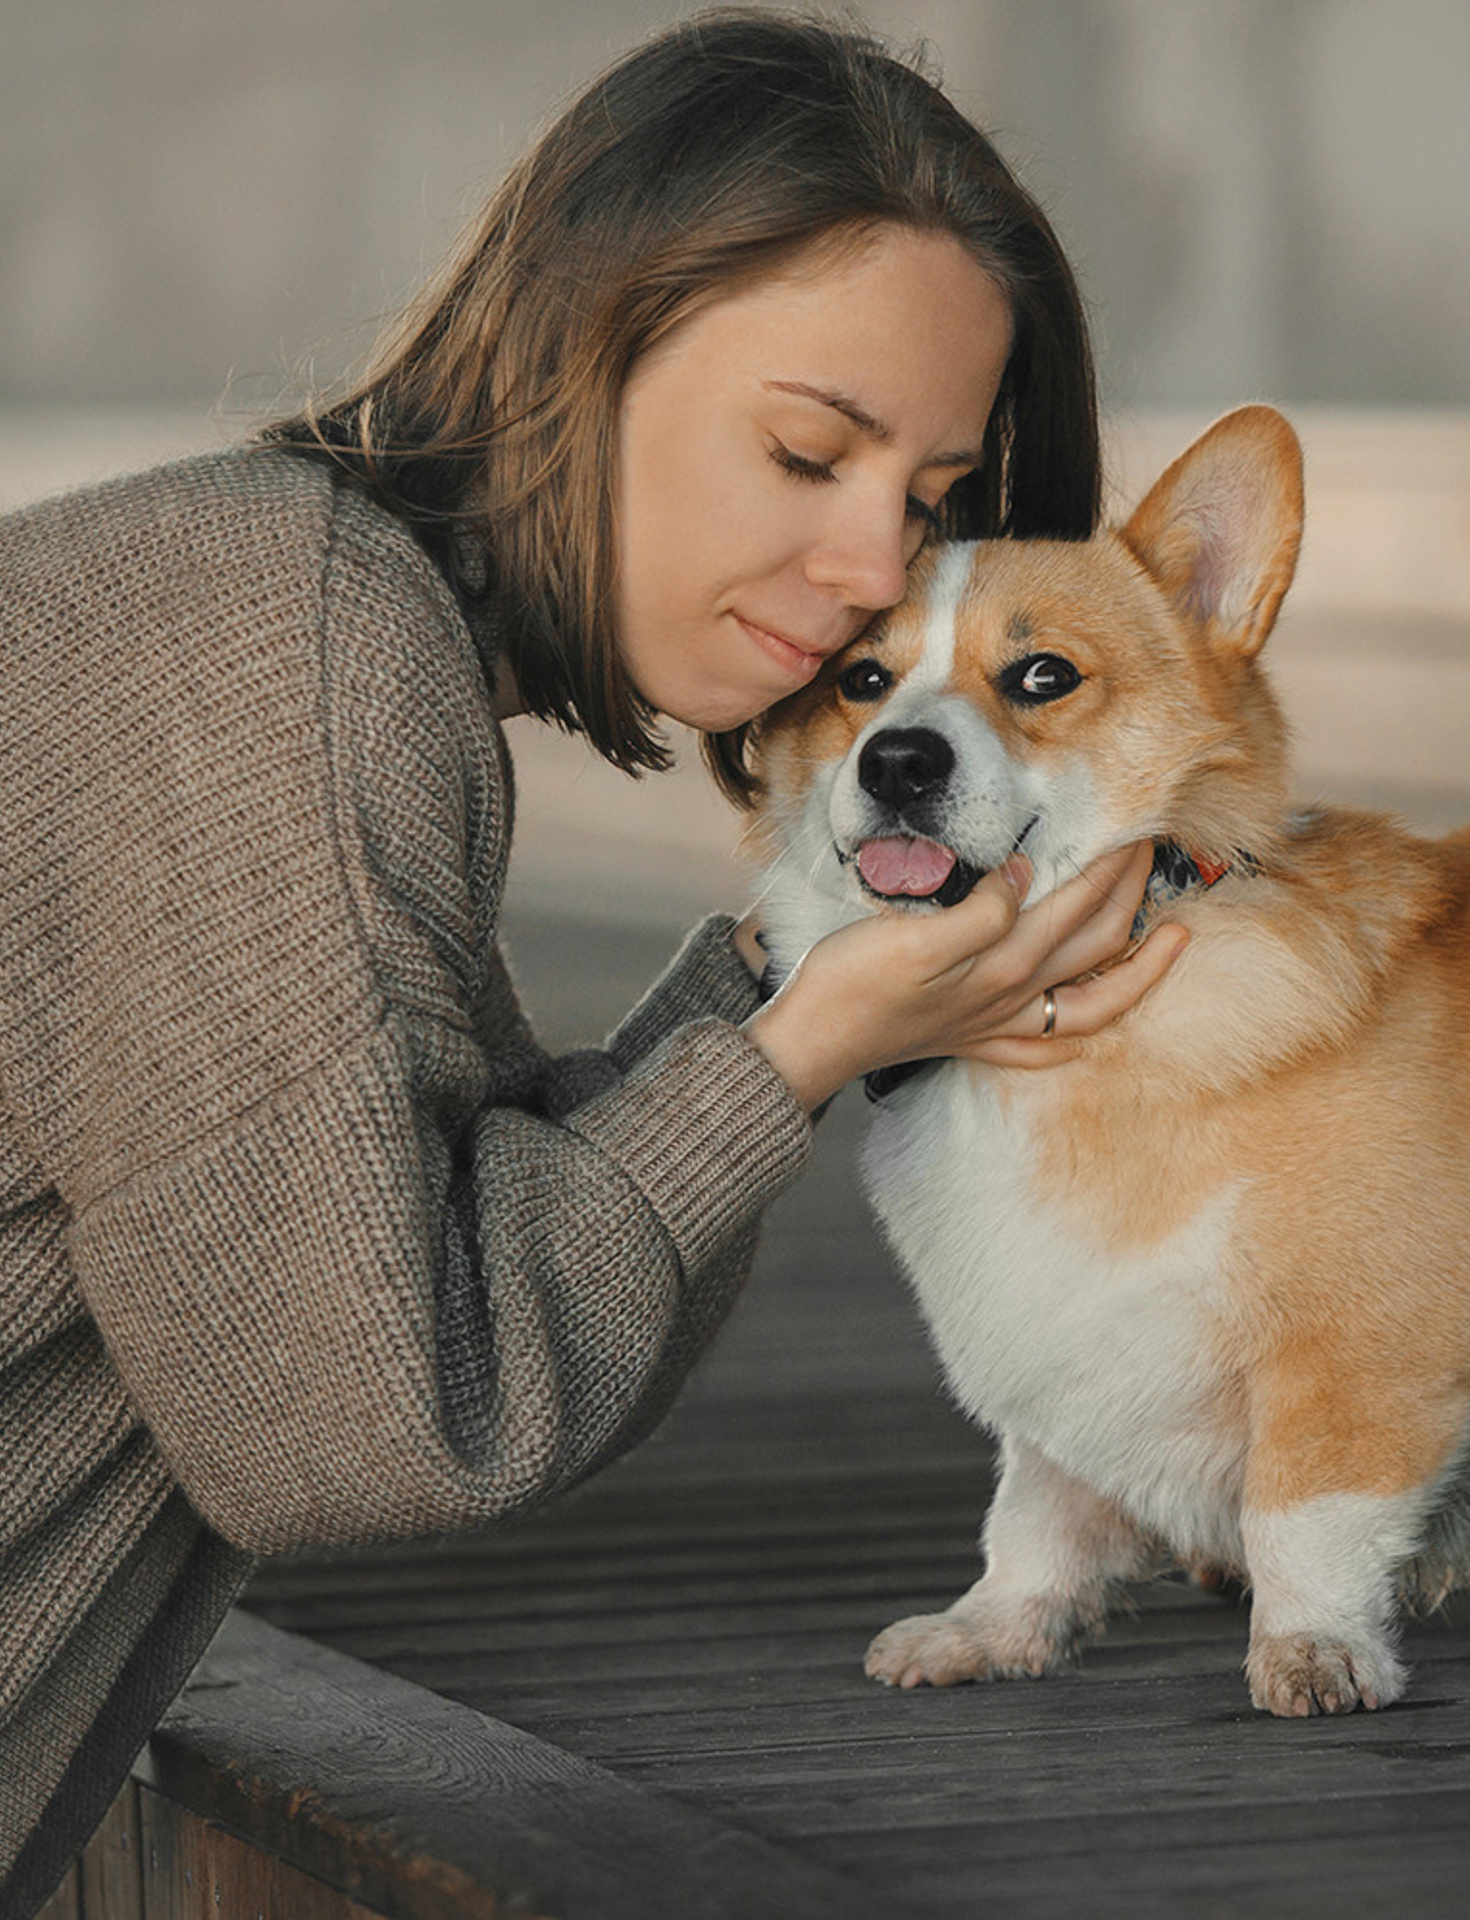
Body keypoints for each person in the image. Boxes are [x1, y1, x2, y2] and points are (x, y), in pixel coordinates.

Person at [0, 11, 1186, 1911]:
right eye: (811, 448)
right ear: (586, 346)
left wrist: (794, 979)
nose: (881, 564)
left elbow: (422, 1273)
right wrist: (788, 1055)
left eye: (937, 496)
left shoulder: (291, 606)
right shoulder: (282, 648)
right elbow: (367, 1421)